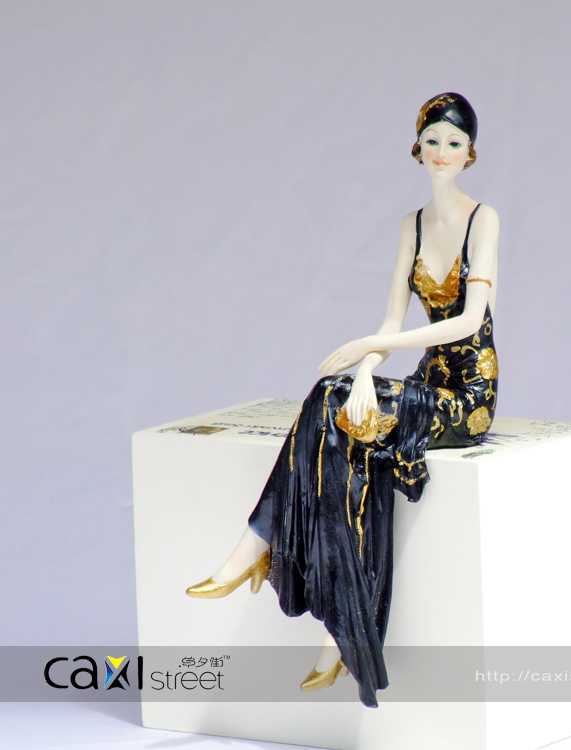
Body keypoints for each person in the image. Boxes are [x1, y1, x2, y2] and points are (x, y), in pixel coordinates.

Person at [185, 91, 500, 708]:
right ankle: (339, 632)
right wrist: (365, 370)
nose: (441, 152)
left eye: (453, 143)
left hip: (468, 395)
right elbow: (391, 320)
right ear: (417, 148)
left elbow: (469, 321)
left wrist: (364, 349)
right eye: (432, 141)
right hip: (425, 378)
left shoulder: (483, 219)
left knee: (330, 407)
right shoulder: (411, 225)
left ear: (470, 153)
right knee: (340, 418)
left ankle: (256, 546)